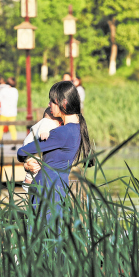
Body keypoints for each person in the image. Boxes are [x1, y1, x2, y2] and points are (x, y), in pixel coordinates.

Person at [17, 81, 94, 218]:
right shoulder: (76, 129)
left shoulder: (61, 133)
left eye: (52, 101)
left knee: (41, 235)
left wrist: (26, 162)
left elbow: (22, 151)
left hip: (46, 192)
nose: (48, 105)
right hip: (58, 190)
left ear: (63, 103)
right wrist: (28, 165)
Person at [21, 107, 63, 192]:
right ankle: (27, 182)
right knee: (35, 164)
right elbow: (44, 128)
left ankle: (28, 182)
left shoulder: (44, 121)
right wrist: (44, 133)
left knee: (34, 164)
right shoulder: (48, 122)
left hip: (29, 146)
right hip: (33, 149)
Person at [0, 77, 18, 150]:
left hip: (4, 112)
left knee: (0, 128)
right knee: (12, 128)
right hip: (13, 112)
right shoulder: (15, 91)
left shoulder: (3, 90)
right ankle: (14, 143)